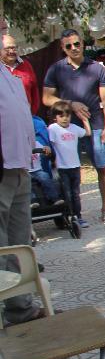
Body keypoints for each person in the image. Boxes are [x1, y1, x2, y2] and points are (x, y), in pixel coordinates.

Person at [42, 29, 105, 224]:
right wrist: (70, 104)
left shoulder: (96, 68)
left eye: (76, 44)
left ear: (83, 43)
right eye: (68, 46)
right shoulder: (56, 69)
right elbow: (46, 98)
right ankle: (72, 212)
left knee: (102, 167)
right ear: (63, 48)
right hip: (67, 126)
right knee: (67, 171)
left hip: (96, 125)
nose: (74, 48)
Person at [0, 57, 45, 323]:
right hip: (2, 169)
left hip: (19, 166)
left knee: (19, 244)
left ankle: (20, 307)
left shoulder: (8, 73)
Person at [46, 100, 92, 226]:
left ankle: (78, 216)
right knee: (66, 193)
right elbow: (49, 144)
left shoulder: (74, 128)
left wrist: (84, 120)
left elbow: (87, 133)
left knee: (75, 193)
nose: (65, 119)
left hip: (75, 166)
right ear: (55, 117)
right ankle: (70, 216)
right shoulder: (53, 129)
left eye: (67, 115)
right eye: (61, 116)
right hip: (62, 167)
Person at [2, 34, 40, 116]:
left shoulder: (26, 65)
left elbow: (34, 92)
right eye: (7, 48)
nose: (11, 51)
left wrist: (31, 115)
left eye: (14, 48)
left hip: (25, 118)